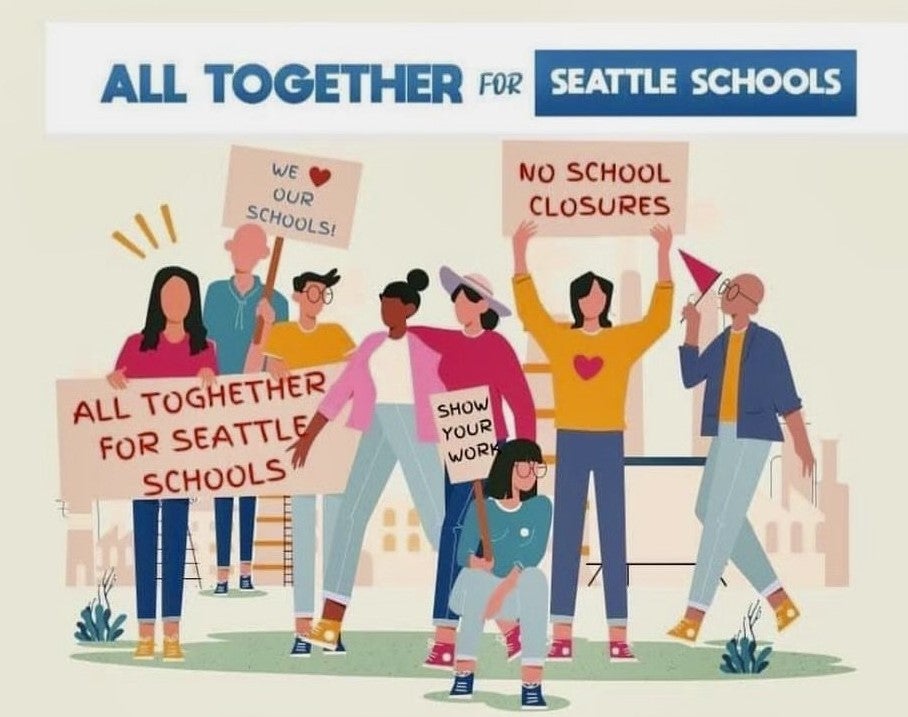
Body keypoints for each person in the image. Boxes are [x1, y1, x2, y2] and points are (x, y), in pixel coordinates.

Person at [511, 219, 674, 663]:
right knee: (566, 533)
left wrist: (663, 254)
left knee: (613, 534)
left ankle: (618, 634)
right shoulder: (561, 341)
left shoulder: (621, 340)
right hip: (572, 440)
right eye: (586, 294)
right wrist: (519, 254)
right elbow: (531, 312)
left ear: (606, 301)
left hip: (608, 442)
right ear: (577, 300)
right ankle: (560, 631)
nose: (592, 300)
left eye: (600, 294)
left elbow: (658, 319)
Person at [288, 269, 446, 652]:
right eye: (382, 305)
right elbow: (342, 389)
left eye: (392, 306)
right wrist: (311, 433)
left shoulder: (425, 348)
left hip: (413, 425)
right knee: (351, 516)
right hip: (376, 426)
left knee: (440, 522)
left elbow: (445, 393)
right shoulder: (371, 344)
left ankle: (493, 620)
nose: (385, 311)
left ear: (409, 308)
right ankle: (329, 625)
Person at [667, 274, 815, 642]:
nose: (724, 294)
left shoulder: (767, 343)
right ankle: (781, 601)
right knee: (709, 512)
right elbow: (691, 377)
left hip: (752, 436)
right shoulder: (722, 341)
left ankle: (693, 615)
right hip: (723, 433)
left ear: (749, 302)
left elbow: (787, 398)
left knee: (720, 520)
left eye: (732, 291)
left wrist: (802, 443)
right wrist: (694, 329)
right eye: (726, 288)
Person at [409, 268, 536, 669]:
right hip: (456, 446)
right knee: (476, 543)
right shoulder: (450, 341)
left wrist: (523, 457)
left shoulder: (497, 347)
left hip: (490, 449)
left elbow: (522, 401)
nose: (456, 305)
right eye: (455, 299)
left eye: (462, 299)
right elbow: (416, 334)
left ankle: (446, 635)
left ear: (481, 305)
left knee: (457, 536)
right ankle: (510, 628)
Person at [106, 266, 218, 661]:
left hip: (181, 463)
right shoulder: (136, 345)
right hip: (143, 462)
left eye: (184, 295)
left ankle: (172, 633)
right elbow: (114, 396)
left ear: (194, 301)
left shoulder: (205, 349)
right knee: (144, 546)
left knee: (173, 545)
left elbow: (217, 410)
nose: (176, 302)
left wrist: (210, 380)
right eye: (169, 294)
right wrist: (114, 382)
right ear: (157, 299)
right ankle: (144, 633)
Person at [257, 268, 355, 656]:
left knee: (334, 536)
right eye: (312, 292)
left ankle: (330, 626)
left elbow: (356, 375)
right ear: (297, 296)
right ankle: (301, 627)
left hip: (333, 447)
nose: (317, 298)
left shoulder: (337, 336)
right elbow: (260, 377)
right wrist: (271, 365)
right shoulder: (280, 334)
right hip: (295, 450)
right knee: (302, 537)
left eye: (323, 293)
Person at [202, 223, 289, 594]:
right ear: (231, 249)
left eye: (252, 247)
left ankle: (246, 570)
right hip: (220, 400)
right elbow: (206, 344)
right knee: (222, 486)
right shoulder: (215, 293)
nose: (244, 252)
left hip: (255, 404)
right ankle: (222, 572)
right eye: (239, 245)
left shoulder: (278, 302)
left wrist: (268, 328)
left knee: (248, 486)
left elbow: (279, 362)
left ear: (262, 255)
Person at [447, 439, 552, 710]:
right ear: (508, 467)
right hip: (481, 586)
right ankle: (464, 673)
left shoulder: (540, 507)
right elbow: (463, 553)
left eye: (535, 467)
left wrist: (502, 592)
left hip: (517, 588)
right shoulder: (483, 508)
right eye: (525, 467)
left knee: (536, 579)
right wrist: (477, 562)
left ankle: (532, 684)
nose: (531, 473)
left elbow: (532, 555)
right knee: (477, 581)